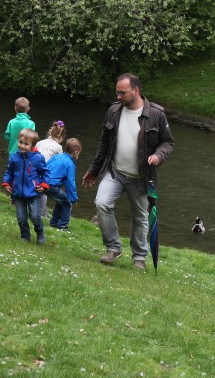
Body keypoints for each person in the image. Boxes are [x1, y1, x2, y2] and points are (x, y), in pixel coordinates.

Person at [82, 73, 174, 270]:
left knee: (140, 217)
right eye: (117, 92)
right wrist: (94, 170)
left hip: (142, 177)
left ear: (136, 91)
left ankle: (139, 258)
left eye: (122, 93)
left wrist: (158, 156)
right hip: (114, 171)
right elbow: (104, 144)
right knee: (102, 204)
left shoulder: (156, 114)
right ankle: (113, 248)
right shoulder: (113, 111)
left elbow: (167, 143)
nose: (118, 97)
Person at [1, 128, 49, 244]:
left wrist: (44, 185)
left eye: (26, 144)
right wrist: (6, 183)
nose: (22, 146)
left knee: (35, 216)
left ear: (33, 145)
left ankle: (40, 233)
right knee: (21, 218)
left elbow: (45, 173)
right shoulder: (14, 157)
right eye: (20, 142)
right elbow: (9, 172)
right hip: (17, 193)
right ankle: (25, 236)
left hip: (33, 193)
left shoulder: (38, 158)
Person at [46, 137, 81, 230]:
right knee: (67, 203)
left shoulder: (56, 156)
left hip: (43, 182)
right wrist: (73, 198)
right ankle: (63, 226)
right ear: (76, 152)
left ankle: (53, 222)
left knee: (61, 201)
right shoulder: (70, 164)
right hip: (52, 185)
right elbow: (70, 183)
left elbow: (46, 166)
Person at [34, 120, 66, 217]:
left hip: (33, 168)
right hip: (44, 170)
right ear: (61, 136)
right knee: (44, 190)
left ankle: (36, 208)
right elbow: (60, 163)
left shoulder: (40, 142)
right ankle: (42, 211)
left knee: (36, 188)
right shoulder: (58, 147)